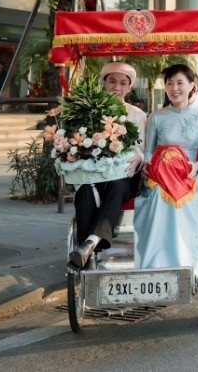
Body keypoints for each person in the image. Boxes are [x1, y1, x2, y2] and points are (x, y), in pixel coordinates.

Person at [133, 63, 198, 286]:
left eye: (179, 82)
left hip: (189, 174)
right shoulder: (157, 117)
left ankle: (187, 263)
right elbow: (148, 153)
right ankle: (156, 265)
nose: (174, 88)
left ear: (192, 87)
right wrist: (150, 168)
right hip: (159, 175)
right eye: (169, 83)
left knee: (180, 199)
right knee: (159, 194)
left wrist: (194, 168)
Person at [68, 61, 148, 269]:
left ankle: (89, 246)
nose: (117, 87)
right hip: (95, 175)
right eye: (112, 81)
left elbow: (141, 149)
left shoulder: (137, 115)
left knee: (117, 187)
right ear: (104, 83)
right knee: (84, 192)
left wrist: (138, 157)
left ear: (129, 88)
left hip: (124, 177)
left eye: (123, 83)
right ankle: (89, 253)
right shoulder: (90, 111)